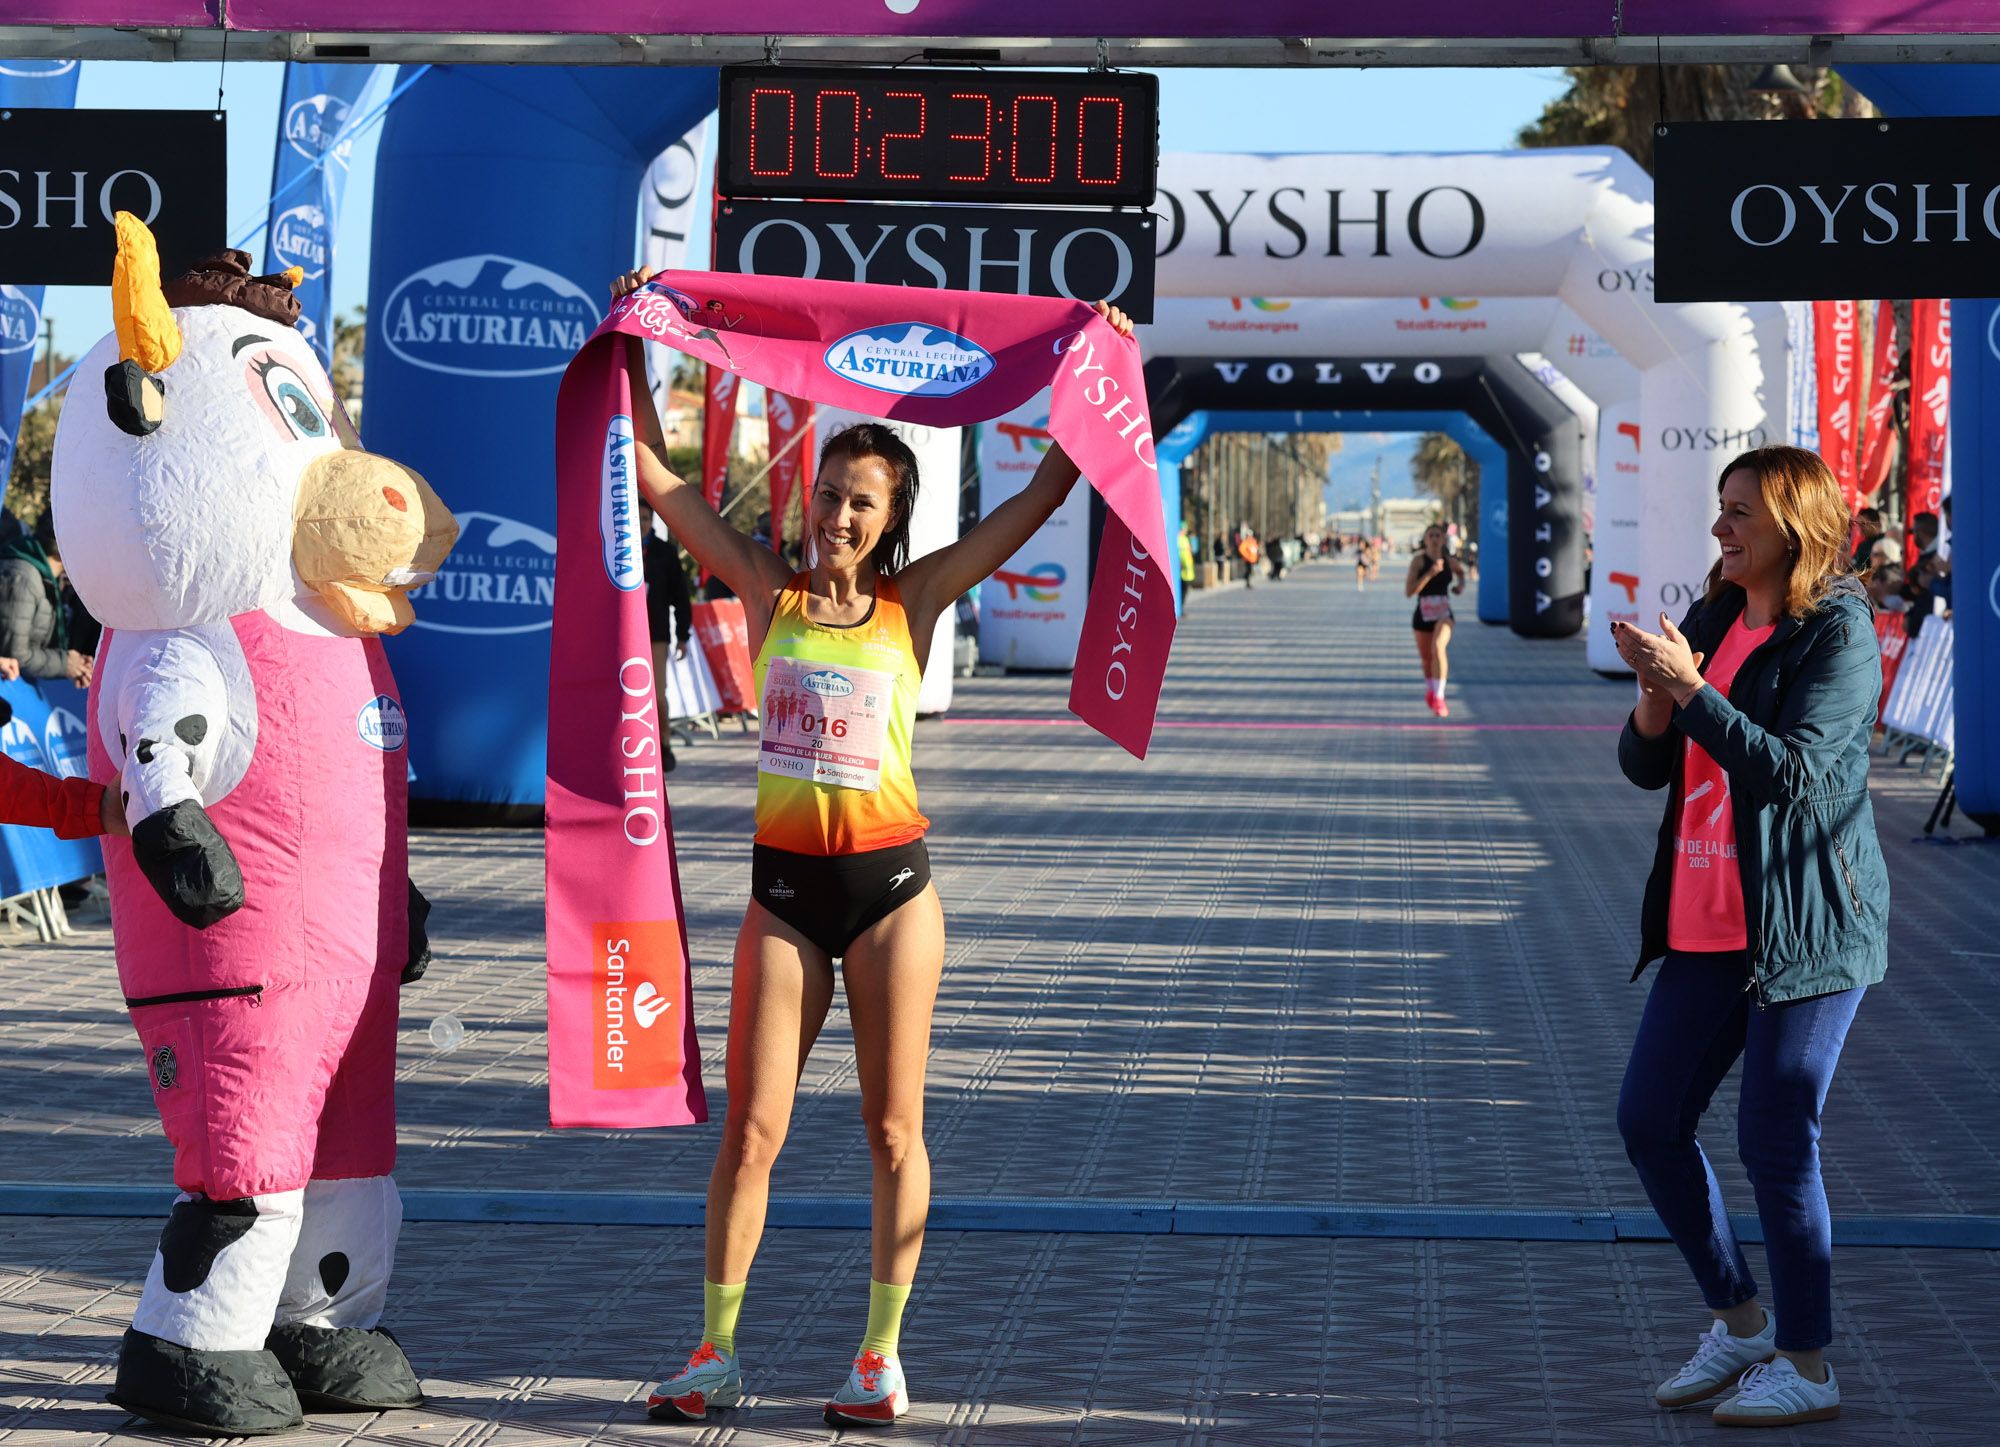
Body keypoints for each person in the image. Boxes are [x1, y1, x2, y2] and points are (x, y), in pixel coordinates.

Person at [610, 267, 1137, 1429]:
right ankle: (714, 1351)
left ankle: (878, 1357)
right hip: (786, 896)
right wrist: (637, 340)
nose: (841, 516)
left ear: (890, 518)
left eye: (863, 502)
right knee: (751, 1131)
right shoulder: (763, 583)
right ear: (808, 502)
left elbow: (1043, 494)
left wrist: (1092, 363)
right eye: (830, 496)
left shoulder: (915, 599)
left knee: (892, 1127)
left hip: (892, 892)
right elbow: (653, 478)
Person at [1610, 444, 1887, 1430]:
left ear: (1792, 526)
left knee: (1772, 1141)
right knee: (1647, 1120)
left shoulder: (1837, 629)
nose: (1719, 530)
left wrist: (1690, 693)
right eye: (1718, 509)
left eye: (1739, 514)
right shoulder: (1718, 609)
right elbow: (1650, 767)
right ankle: (1736, 1317)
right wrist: (1653, 701)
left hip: (1803, 926)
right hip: (1702, 923)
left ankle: (1804, 1361)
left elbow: (1798, 779)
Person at [0, 511, 92, 685]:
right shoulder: (22, 579)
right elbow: (12, 657)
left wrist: (78, 665)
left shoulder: (47, 578)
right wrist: (65, 664)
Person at [643, 502, 695, 773]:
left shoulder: (664, 552)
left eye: (645, 518)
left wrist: (682, 635)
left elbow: (681, 597)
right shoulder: (616, 547)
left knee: (656, 695)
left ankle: (663, 743)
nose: (640, 523)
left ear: (651, 521)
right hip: (621, 637)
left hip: (656, 635)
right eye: (636, 517)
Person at [1404, 522, 1467, 716]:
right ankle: (1431, 691)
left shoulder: (1449, 561)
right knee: (1426, 659)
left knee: (1438, 647)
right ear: (1424, 539)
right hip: (1423, 614)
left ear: (1443, 539)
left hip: (1443, 614)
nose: (1433, 539)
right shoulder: (1419, 561)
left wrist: (1460, 586)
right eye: (1430, 535)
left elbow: (1461, 573)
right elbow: (1409, 592)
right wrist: (1429, 575)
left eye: (1437, 535)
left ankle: (1439, 696)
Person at [1849, 506, 1883, 572]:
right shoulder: (1863, 544)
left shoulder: (1882, 543)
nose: (1861, 527)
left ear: (1876, 524)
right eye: (1859, 524)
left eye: (1864, 524)